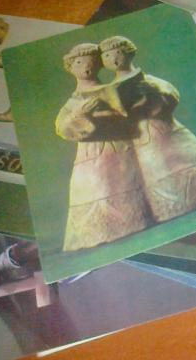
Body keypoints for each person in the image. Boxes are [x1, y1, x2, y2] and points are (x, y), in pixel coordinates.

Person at [98, 36, 196, 223]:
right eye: (107, 56)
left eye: (117, 53)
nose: (114, 59)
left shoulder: (149, 80)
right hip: (143, 139)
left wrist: (154, 92)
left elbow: (172, 95)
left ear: (128, 53)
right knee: (156, 168)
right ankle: (173, 207)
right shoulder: (109, 91)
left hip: (166, 130)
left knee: (188, 157)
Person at [55, 43, 148, 251]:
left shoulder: (109, 91)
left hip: (117, 148)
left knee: (120, 181)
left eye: (91, 62)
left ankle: (129, 224)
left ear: (99, 65)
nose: (86, 67)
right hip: (90, 152)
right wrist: (80, 115)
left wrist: (105, 116)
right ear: (71, 67)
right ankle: (97, 231)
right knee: (93, 187)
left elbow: (127, 119)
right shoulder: (74, 100)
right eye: (80, 63)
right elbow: (62, 128)